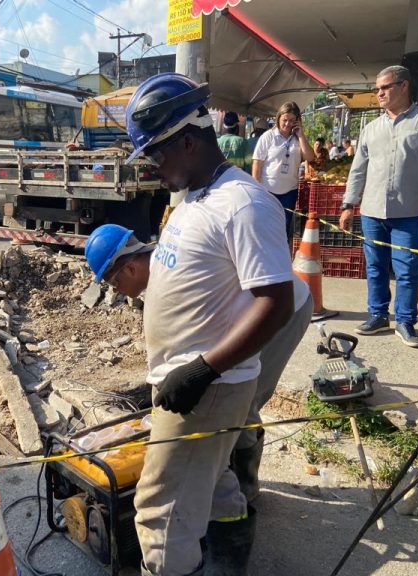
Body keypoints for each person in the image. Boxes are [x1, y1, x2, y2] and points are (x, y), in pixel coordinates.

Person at [91, 72, 298, 576]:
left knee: (159, 512)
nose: (154, 171)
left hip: (210, 387)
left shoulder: (243, 204)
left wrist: (202, 370)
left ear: (188, 140)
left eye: (158, 157)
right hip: (195, 380)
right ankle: (228, 559)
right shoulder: (192, 198)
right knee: (212, 483)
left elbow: (276, 302)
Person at [340, 65, 418, 348]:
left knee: (407, 269)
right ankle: (378, 315)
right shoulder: (371, 128)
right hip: (371, 212)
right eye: (377, 88)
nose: (379, 93)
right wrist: (348, 204)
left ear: (403, 86)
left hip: (407, 212)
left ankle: (405, 322)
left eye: (385, 87)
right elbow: (358, 171)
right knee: (376, 266)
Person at [252, 102, 316, 244]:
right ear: (278, 118)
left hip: (289, 192)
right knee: (265, 227)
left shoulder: (297, 139)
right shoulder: (268, 136)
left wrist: (301, 135)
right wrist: (257, 189)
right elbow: (257, 163)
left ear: (297, 121)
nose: (287, 124)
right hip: (268, 190)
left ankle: (278, 258)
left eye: (292, 121)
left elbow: (310, 157)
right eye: (285, 120)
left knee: (283, 229)